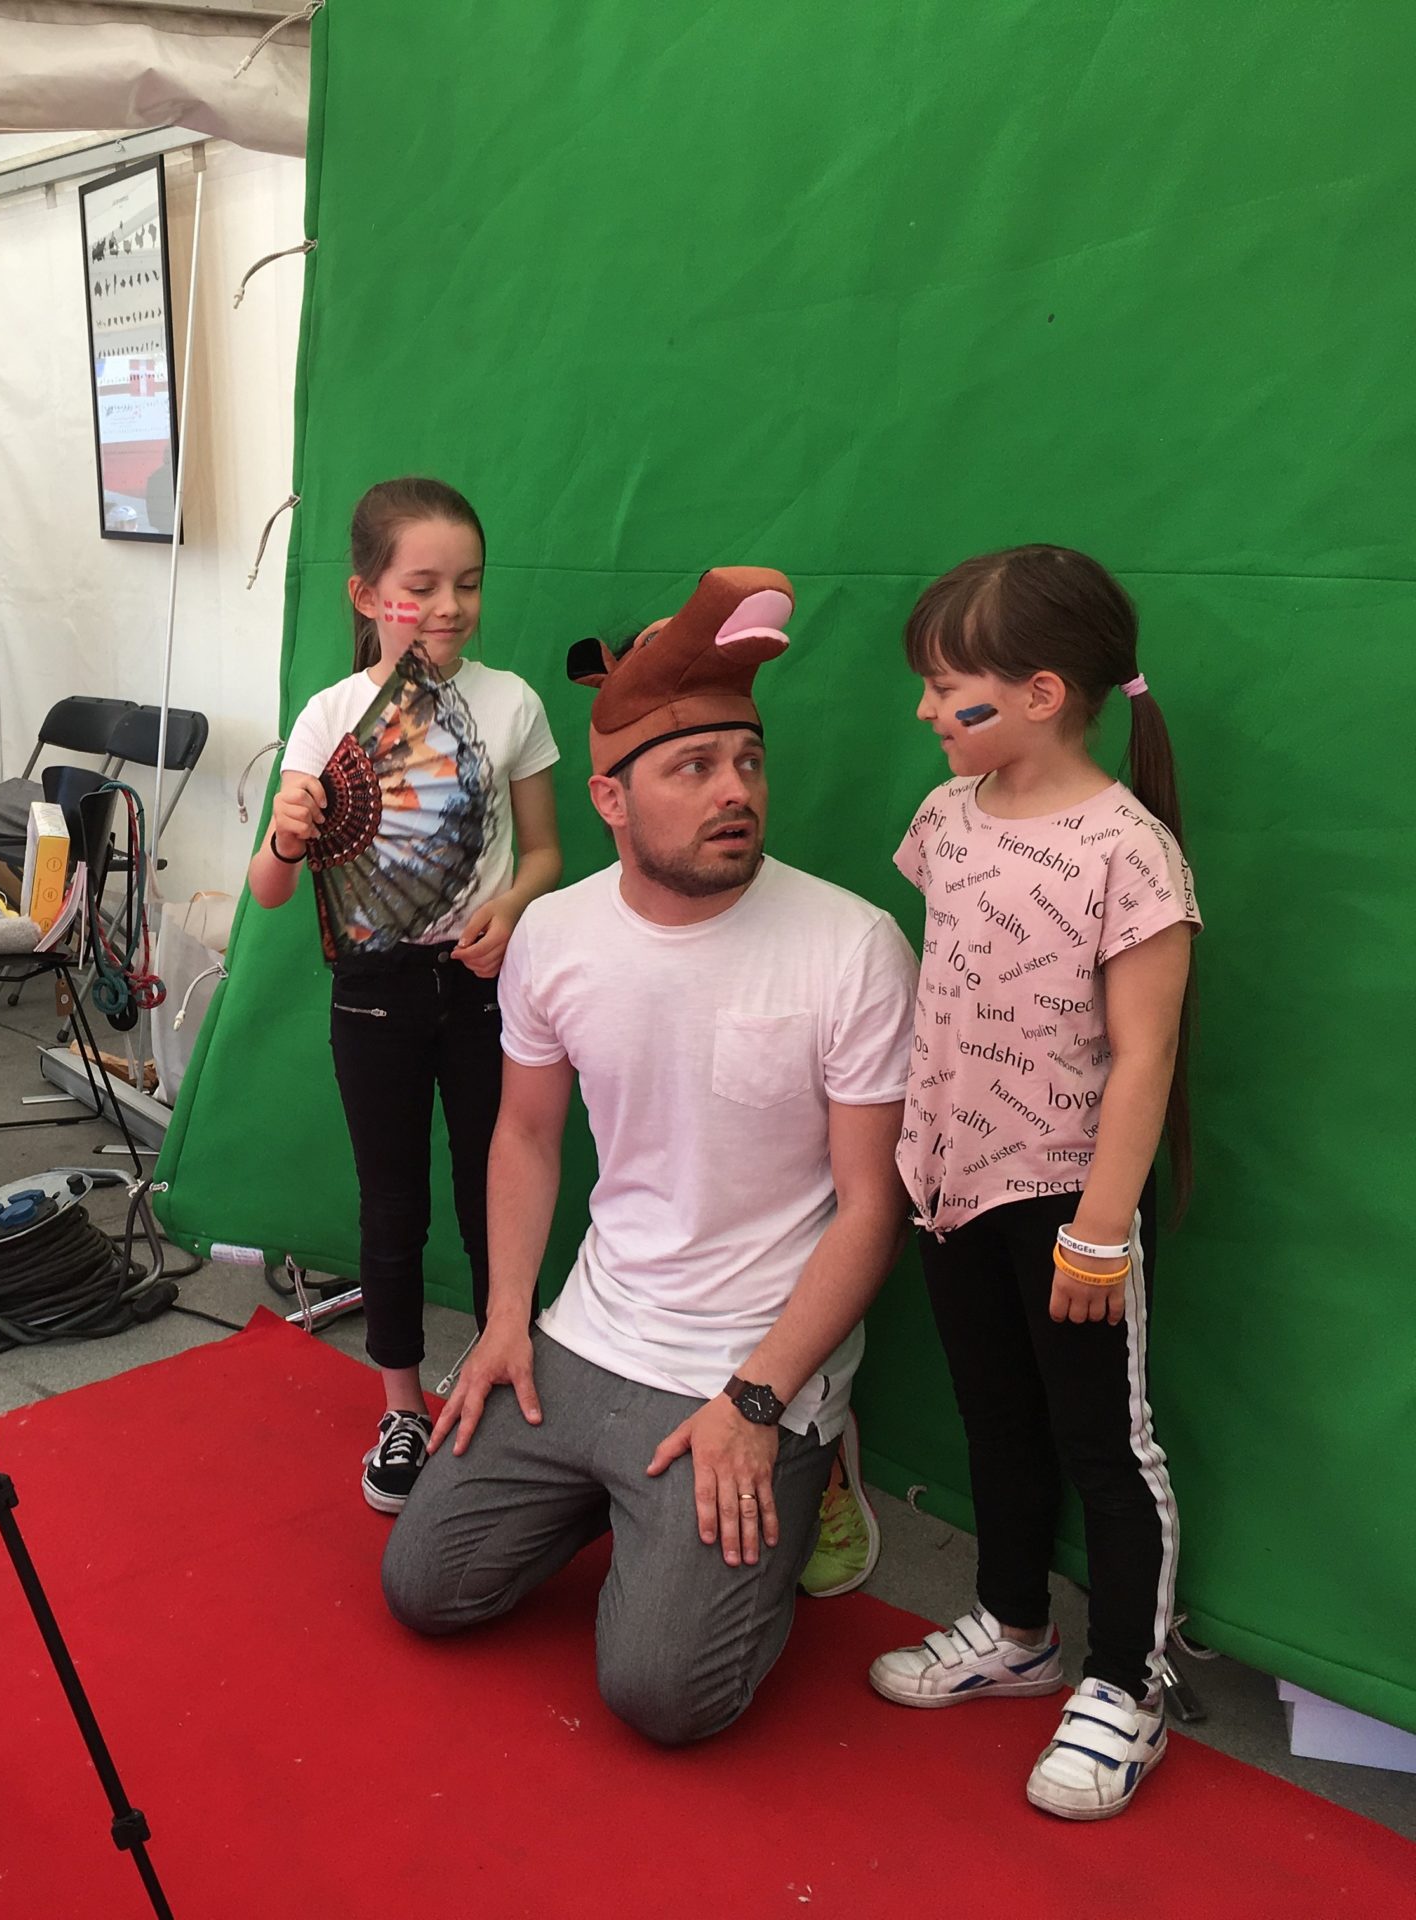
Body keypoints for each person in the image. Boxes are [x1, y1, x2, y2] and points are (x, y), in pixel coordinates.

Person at [382, 567, 917, 1747]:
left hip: (751, 1365)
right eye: (694, 768)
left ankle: (808, 1469)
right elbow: (525, 1133)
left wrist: (760, 1400)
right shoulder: (557, 934)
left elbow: (871, 1207)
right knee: (425, 1587)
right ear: (609, 799)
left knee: (663, 1694)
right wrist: (506, 1317)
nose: (735, 791)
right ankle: (626, 1498)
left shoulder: (853, 945)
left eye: (749, 763)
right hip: (590, 1331)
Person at [867, 545, 1197, 1821]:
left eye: (944, 690)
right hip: (949, 1185)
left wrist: (1100, 1231)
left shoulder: (1129, 852)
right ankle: (1014, 1628)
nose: (922, 711)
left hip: (1065, 1201)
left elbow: (1144, 1055)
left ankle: (1127, 1684)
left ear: (1043, 694)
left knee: (1104, 1445)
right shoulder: (947, 817)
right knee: (992, 1415)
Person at [247, 477, 564, 1513]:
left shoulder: (512, 702)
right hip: (372, 993)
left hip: (483, 987)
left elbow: (546, 851)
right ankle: (400, 1408)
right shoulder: (331, 716)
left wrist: (510, 906)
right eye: (420, 587)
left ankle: (502, 1380)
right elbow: (270, 888)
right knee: (391, 1204)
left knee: (492, 1195)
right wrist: (287, 832)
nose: (447, 607)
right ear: (365, 594)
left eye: (467, 584)